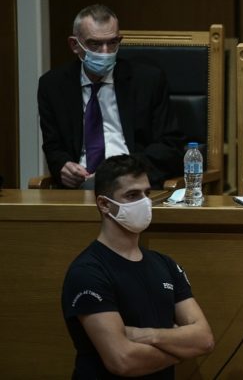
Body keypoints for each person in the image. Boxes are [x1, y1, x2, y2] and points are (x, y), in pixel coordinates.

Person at [61, 154, 214, 378]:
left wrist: (147, 335)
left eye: (147, 194)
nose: (144, 203)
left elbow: (204, 339)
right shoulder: (88, 272)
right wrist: (181, 349)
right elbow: (123, 361)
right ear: (104, 204)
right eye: (132, 195)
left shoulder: (166, 265)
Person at [38, 4, 184, 189]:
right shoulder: (53, 86)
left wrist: (122, 171)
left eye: (113, 42)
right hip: (80, 186)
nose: (105, 52)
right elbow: (53, 147)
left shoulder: (148, 81)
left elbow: (170, 146)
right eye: (95, 44)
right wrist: (63, 166)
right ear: (74, 45)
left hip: (134, 181)